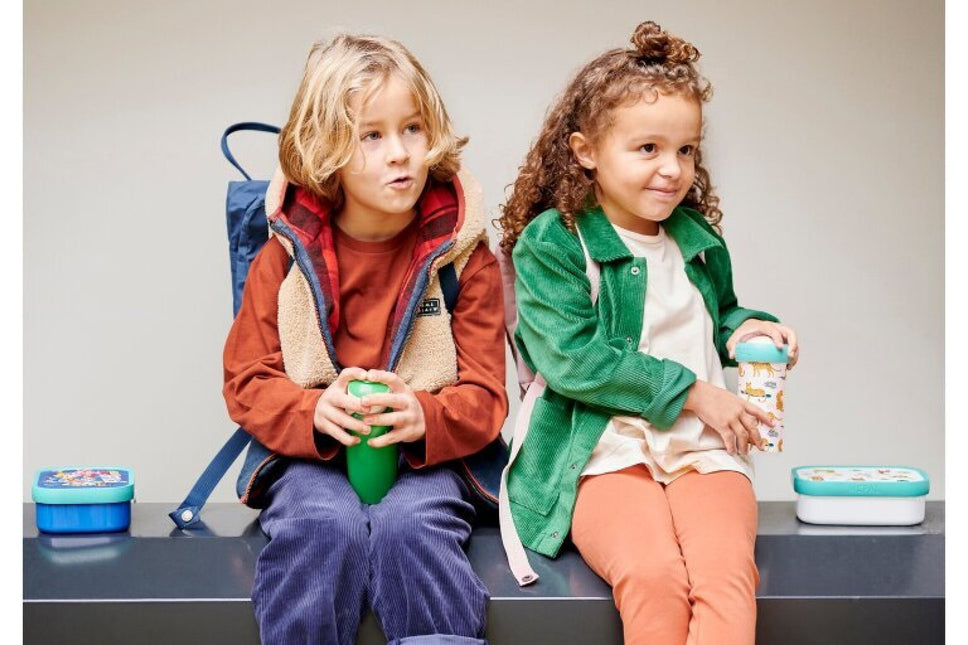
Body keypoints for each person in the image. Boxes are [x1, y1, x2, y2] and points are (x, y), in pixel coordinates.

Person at [497, 20, 800, 645]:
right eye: (648, 149)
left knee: (724, 577)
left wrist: (749, 329)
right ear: (586, 151)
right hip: (601, 453)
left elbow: (718, 316)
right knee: (655, 576)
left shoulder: (697, 239)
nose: (672, 169)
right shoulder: (555, 242)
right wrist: (695, 393)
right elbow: (572, 359)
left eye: (686, 150)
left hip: (703, 448)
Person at [222, 33, 508, 645]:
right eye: (370, 136)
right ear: (324, 149)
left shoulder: (463, 258)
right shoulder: (284, 259)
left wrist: (426, 414)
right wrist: (312, 411)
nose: (400, 153)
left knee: (412, 528)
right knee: (322, 525)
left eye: (412, 129)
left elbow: (486, 397)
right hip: (312, 460)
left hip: (429, 463)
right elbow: (247, 380)